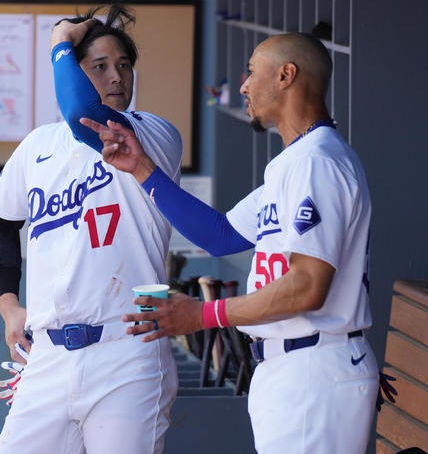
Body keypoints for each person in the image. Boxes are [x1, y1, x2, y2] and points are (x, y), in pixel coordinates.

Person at [82, 32, 381, 453]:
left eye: (252, 72)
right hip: (296, 366)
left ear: (286, 76)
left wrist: (203, 314)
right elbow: (219, 235)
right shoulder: (295, 162)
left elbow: (307, 287)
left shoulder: (318, 162)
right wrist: (143, 169)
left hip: (314, 367)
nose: (243, 85)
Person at [0, 5, 181, 454]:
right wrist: (9, 306)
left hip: (127, 351)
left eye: (124, 65)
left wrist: (60, 41)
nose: (117, 77)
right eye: (100, 66)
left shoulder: (150, 134)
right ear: (74, 72)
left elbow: (80, 113)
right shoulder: (38, 145)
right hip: (48, 356)